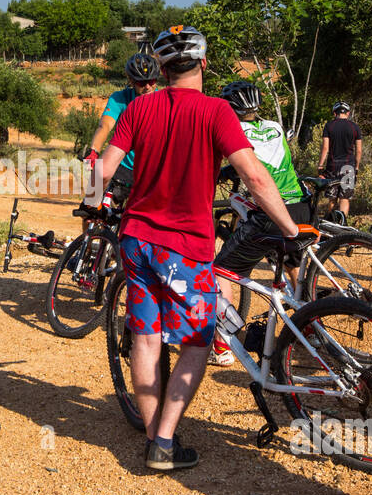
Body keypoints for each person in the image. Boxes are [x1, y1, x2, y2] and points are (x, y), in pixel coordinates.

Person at [92, 26, 317, 471]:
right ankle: (163, 440)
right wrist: (290, 228)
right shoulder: (216, 111)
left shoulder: (138, 108)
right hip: (186, 246)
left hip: (137, 240)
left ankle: (157, 432)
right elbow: (253, 176)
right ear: (204, 63)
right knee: (195, 341)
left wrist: (89, 204)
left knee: (146, 335)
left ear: (159, 67)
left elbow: (104, 166)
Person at [209, 80, 311, 366]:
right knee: (291, 262)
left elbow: (246, 163)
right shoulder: (276, 127)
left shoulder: (234, 129)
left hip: (271, 212)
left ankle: (221, 347)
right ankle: (312, 322)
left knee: (221, 271)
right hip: (301, 205)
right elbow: (265, 155)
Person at [81, 49, 162, 209]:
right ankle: (88, 233)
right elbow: (105, 125)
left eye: (151, 81)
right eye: (141, 82)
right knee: (90, 205)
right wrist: (93, 150)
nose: (147, 87)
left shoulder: (163, 100)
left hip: (153, 169)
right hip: (122, 165)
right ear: (131, 81)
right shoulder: (120, 98)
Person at [316, 102, 361, 220]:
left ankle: (329, 222)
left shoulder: (329, 126)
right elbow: (359, 151)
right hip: (348, 166)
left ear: (334, 113)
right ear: (348, 113)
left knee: (332, 197)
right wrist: (356, 167)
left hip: (332, 166)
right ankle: (342, 224)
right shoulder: (354, 127)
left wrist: (320, 166)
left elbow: (325, 148)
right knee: (344, 198)